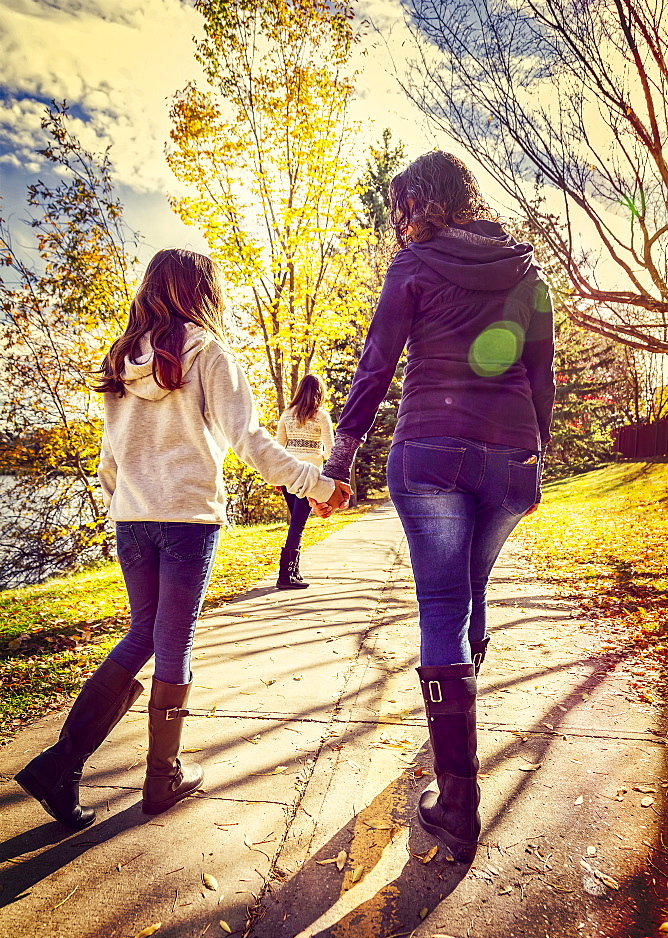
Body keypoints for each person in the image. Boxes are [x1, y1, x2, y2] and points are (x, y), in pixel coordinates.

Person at [14, 248, 350, 830]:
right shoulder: (209, 354)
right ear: (201, 291)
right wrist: (316, 484)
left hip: (133, 520)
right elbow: (248, 439)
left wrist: (129, 502)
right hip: (187, 521)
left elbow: (108, 461)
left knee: (144, 632)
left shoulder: (122, 359)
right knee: (171, 641)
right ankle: (158, 777)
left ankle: (62, 765)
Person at [320, 151, 555, 862]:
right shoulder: (527, 270)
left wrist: (342, 453)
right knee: (469, 593)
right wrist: (535, 448)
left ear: (422, 203)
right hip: (511, 457)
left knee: (443, 610)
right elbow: (542, 372)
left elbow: (377, 362)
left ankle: (458, 798)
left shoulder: (414, 267)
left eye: (401, 207)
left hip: (429, 451)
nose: (397, 222)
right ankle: (456, 742)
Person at [275, 373, 334, 589]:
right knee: (297, 525)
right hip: (310, 477)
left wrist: (276, 476)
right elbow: (330, 452)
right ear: (320, 393)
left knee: (296, 523)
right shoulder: (321, 416)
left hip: (288, 475)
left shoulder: (287, 415)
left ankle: (292, 572)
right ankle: (286, 575)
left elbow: (278, 449)